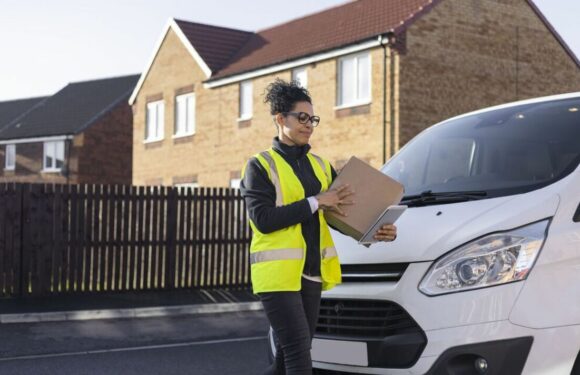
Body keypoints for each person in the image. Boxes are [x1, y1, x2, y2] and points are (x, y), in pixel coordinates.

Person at [240, 79, 397, 375]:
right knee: (300, 355)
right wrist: (316, 201)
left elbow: (340, 216)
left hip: (312, 274)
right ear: (280, 119)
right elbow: (263, 220)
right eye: (302, 117)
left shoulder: (322, 167)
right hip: (277, 278)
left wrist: (376, 231)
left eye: (312, 119)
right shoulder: (259, 166)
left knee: (289, 357)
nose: (309, 124)